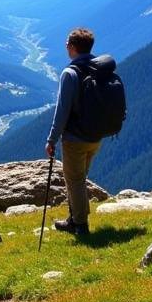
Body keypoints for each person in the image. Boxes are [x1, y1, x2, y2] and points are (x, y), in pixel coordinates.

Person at [45, 27, 101, 237]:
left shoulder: (70, 73)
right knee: (79, 178)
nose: (66, 47)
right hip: (96, 135)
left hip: (75, 138)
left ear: (74, 47)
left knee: (75, 180)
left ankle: (80, 226)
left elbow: (62, 111)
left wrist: (51, 139)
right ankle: (74, 218)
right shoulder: (98, 68)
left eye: (67, 43)